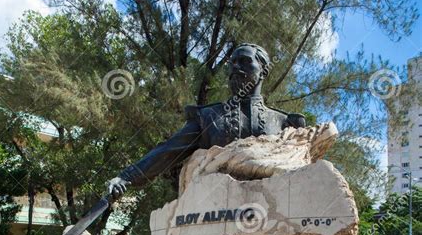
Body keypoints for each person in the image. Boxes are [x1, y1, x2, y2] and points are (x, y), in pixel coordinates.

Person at [108, 43, 306, 198]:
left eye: (244, 61)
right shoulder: (209, 116)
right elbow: (169, 150)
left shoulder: (284, 124)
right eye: (233, 63)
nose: (236, 67)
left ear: (263, 71)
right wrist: (126, 177)